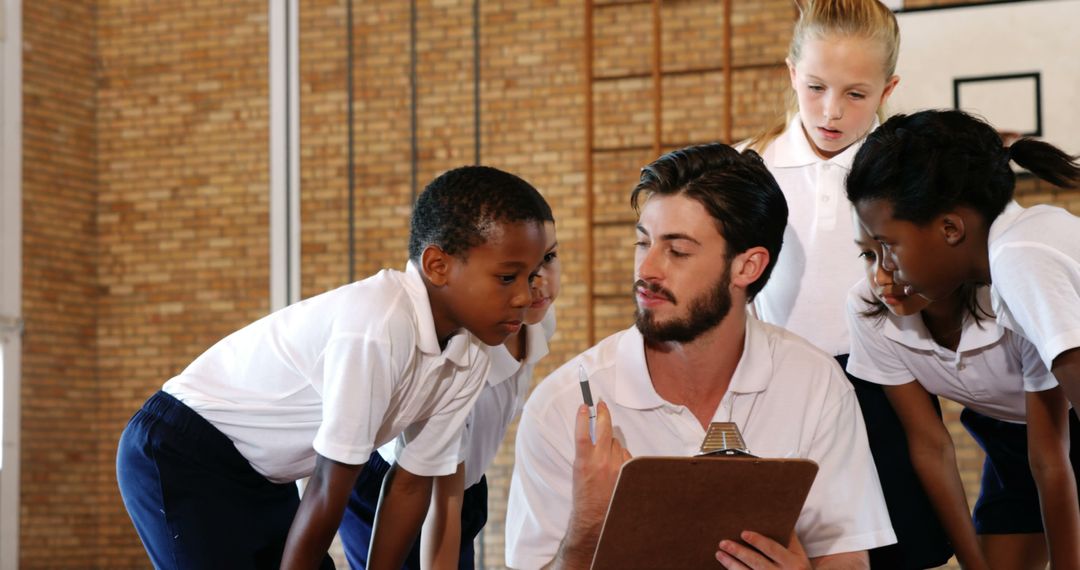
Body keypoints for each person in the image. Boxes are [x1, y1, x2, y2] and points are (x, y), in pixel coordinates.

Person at [116, 166, 553, 570]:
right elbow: (330, 484)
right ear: (438, 266)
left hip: (265, 477)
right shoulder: (378, 325)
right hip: (182, 449)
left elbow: (410, 484)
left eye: (532, 274)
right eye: (506, 277)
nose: (524, 295)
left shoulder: (470, 355)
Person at [505, 143, 895, 570]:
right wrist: (587, 528)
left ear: (747, 267)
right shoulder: (562, 406)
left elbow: (847, 557)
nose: (646, 270)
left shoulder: (816, 385)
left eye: (678, 250)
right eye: (643, 242)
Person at [745, 2, 951, 565]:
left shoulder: (914, 173)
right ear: (791, 73)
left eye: (856, 95)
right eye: (815, 87)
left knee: (902, 551)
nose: (831, 111)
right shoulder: (745, 168)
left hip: (889, 390)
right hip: (782, 396)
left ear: (889, 89)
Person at [846, 108, 1080, 568]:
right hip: (1019, 446)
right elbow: (932, 446)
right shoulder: (1020, 242)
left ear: (951, 228)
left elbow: (1057, 441)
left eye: (889, 246)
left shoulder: (1018, 258)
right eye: (870, 252)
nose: (885, 271)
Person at [338, 218, 561, 569]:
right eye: (510, 273)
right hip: (392, 480)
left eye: (548, 258)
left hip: (465, 482)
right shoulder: (462, 364)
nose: (538, 282)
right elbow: (439, 502)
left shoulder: (539, 322)